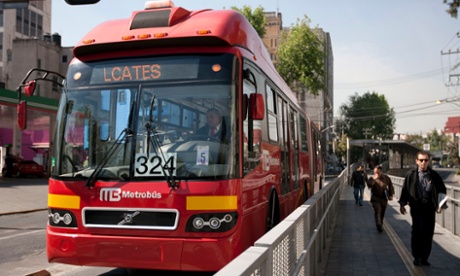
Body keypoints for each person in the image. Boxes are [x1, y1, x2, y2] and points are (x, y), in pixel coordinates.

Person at [399, 151, 447, 267]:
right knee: (417, 231)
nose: (423, 163)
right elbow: (405, 189)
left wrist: (441, 205)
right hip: (416, 207)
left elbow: (442, 190)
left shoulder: (434, 176)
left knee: (428, 233)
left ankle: (425, 258)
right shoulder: (411, 175)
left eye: (425, 160)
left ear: (428, 161)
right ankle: (417, 257)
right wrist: (402, 204)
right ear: (417, 161)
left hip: (430, 208)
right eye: (421, 160)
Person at [366, 165, 395, 233]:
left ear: (381, 172)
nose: (376, 174)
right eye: (375, 172)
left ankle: (380, 222)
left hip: (384, 198)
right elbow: (369, 185)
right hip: (375, 198)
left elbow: (390, 186)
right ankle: (378, 224)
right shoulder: (372, 178)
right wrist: (374, 179)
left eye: (378, 172)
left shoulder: (386, 178)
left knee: (382, 212)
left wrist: (391, 195)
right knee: (378, 210)